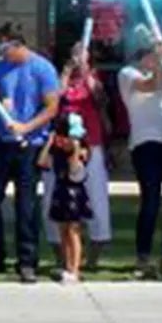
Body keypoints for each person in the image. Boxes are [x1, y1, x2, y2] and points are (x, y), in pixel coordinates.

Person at [0, 24, 60, 285]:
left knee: (26, 205)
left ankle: (27, 261)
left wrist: (26, 127)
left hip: (30, 144)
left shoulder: (42, 68)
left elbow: (51, 108)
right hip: (1, 142)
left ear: (18, 44)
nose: (1, 53)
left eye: (4, 48)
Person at [119, 27, 162, 281]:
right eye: (150, 55)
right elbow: (151, 85)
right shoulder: (127, 74)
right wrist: (161, 62)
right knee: (151, 199)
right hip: (145, 142)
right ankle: (143, 256)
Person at [54, 39, 113, 269]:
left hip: (91, 142)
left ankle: (96, 248)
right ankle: (62, 252)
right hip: (64, 144)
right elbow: (55, 97)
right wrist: (67, 72)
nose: (77, 56)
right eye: (74, 52)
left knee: (96, 195)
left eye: (82, 53)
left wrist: (86, 72)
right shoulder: (65, 78)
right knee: (59, 197)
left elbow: (99, 98)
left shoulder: (94, 79)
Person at [45, 107, 93, 283]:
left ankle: (75, 268)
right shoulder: (57, 151)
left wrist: (75, 150)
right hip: (61, 192)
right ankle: (66, 264)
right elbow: (42, 163)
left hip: (74, 193)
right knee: (62, 231)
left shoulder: (81, 152)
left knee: (73, 231)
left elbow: (75, 172)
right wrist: (49, 143)